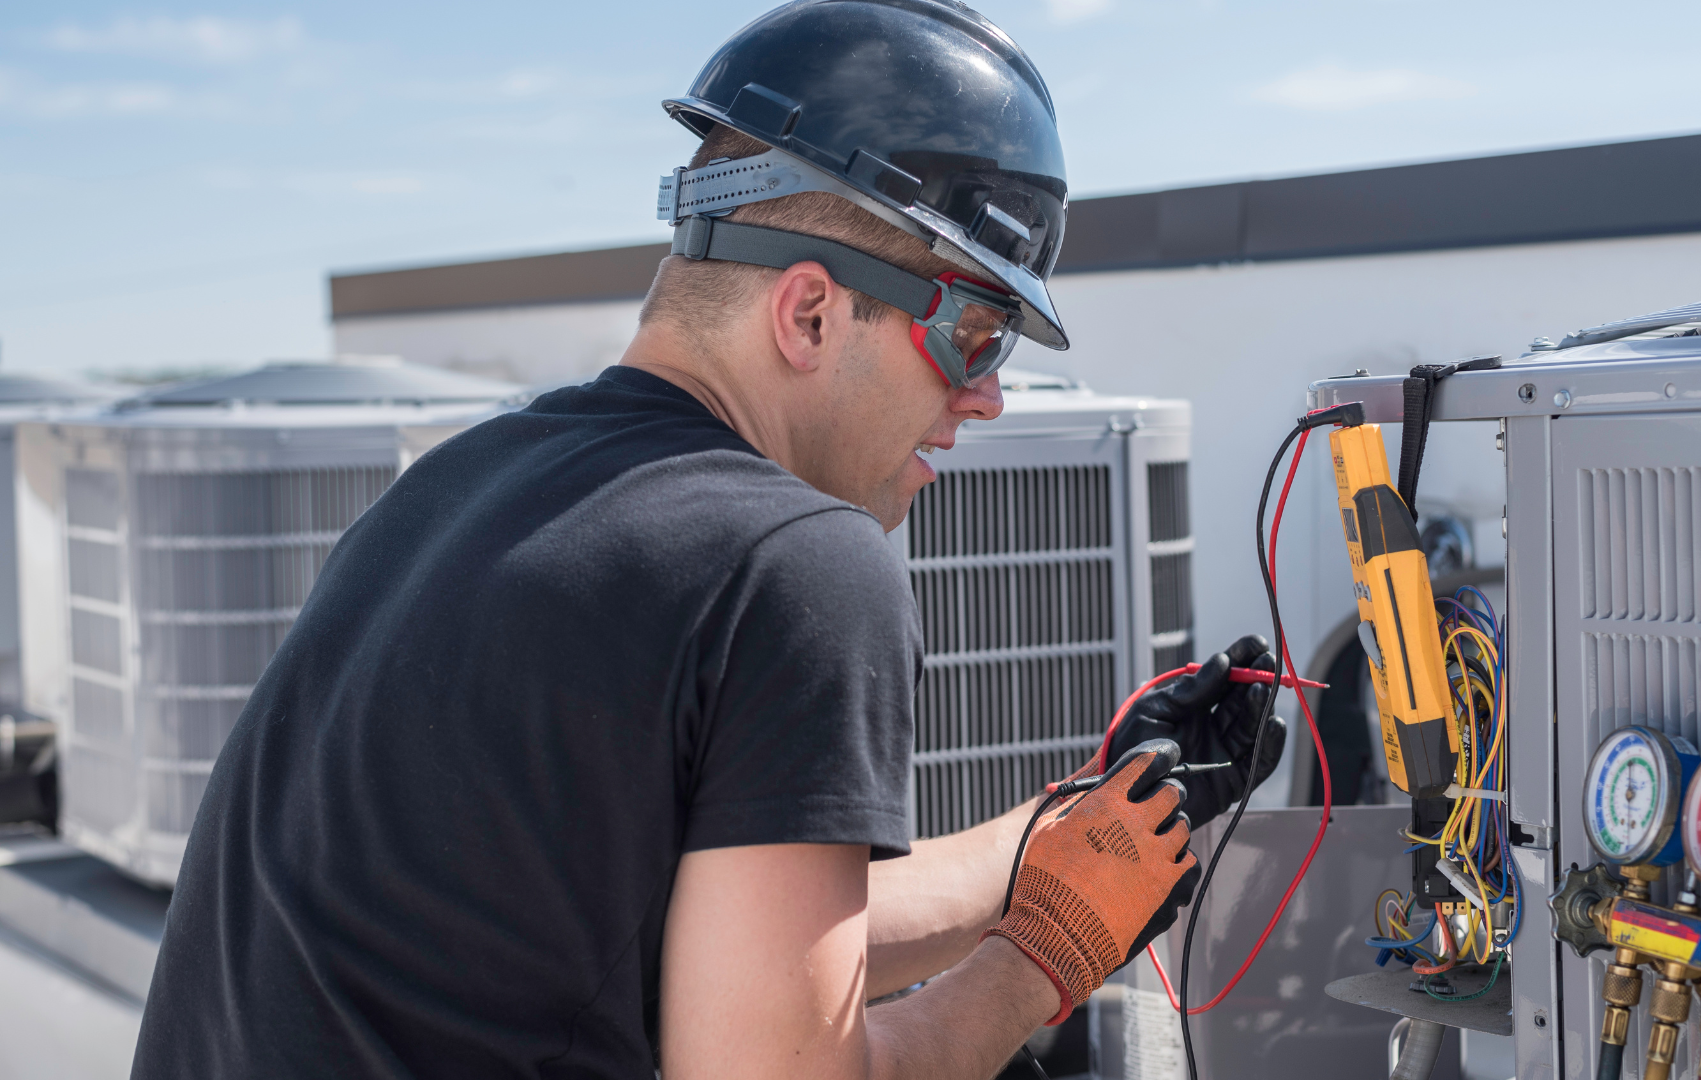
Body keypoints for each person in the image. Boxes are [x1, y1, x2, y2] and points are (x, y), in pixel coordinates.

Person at [131, 2, 1286, 1077]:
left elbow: (740, 943)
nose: (986, 398)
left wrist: (1085, 818)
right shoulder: (795, 565)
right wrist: (1043, 961)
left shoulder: (448, 497)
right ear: (811, 311)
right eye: (976, 334)